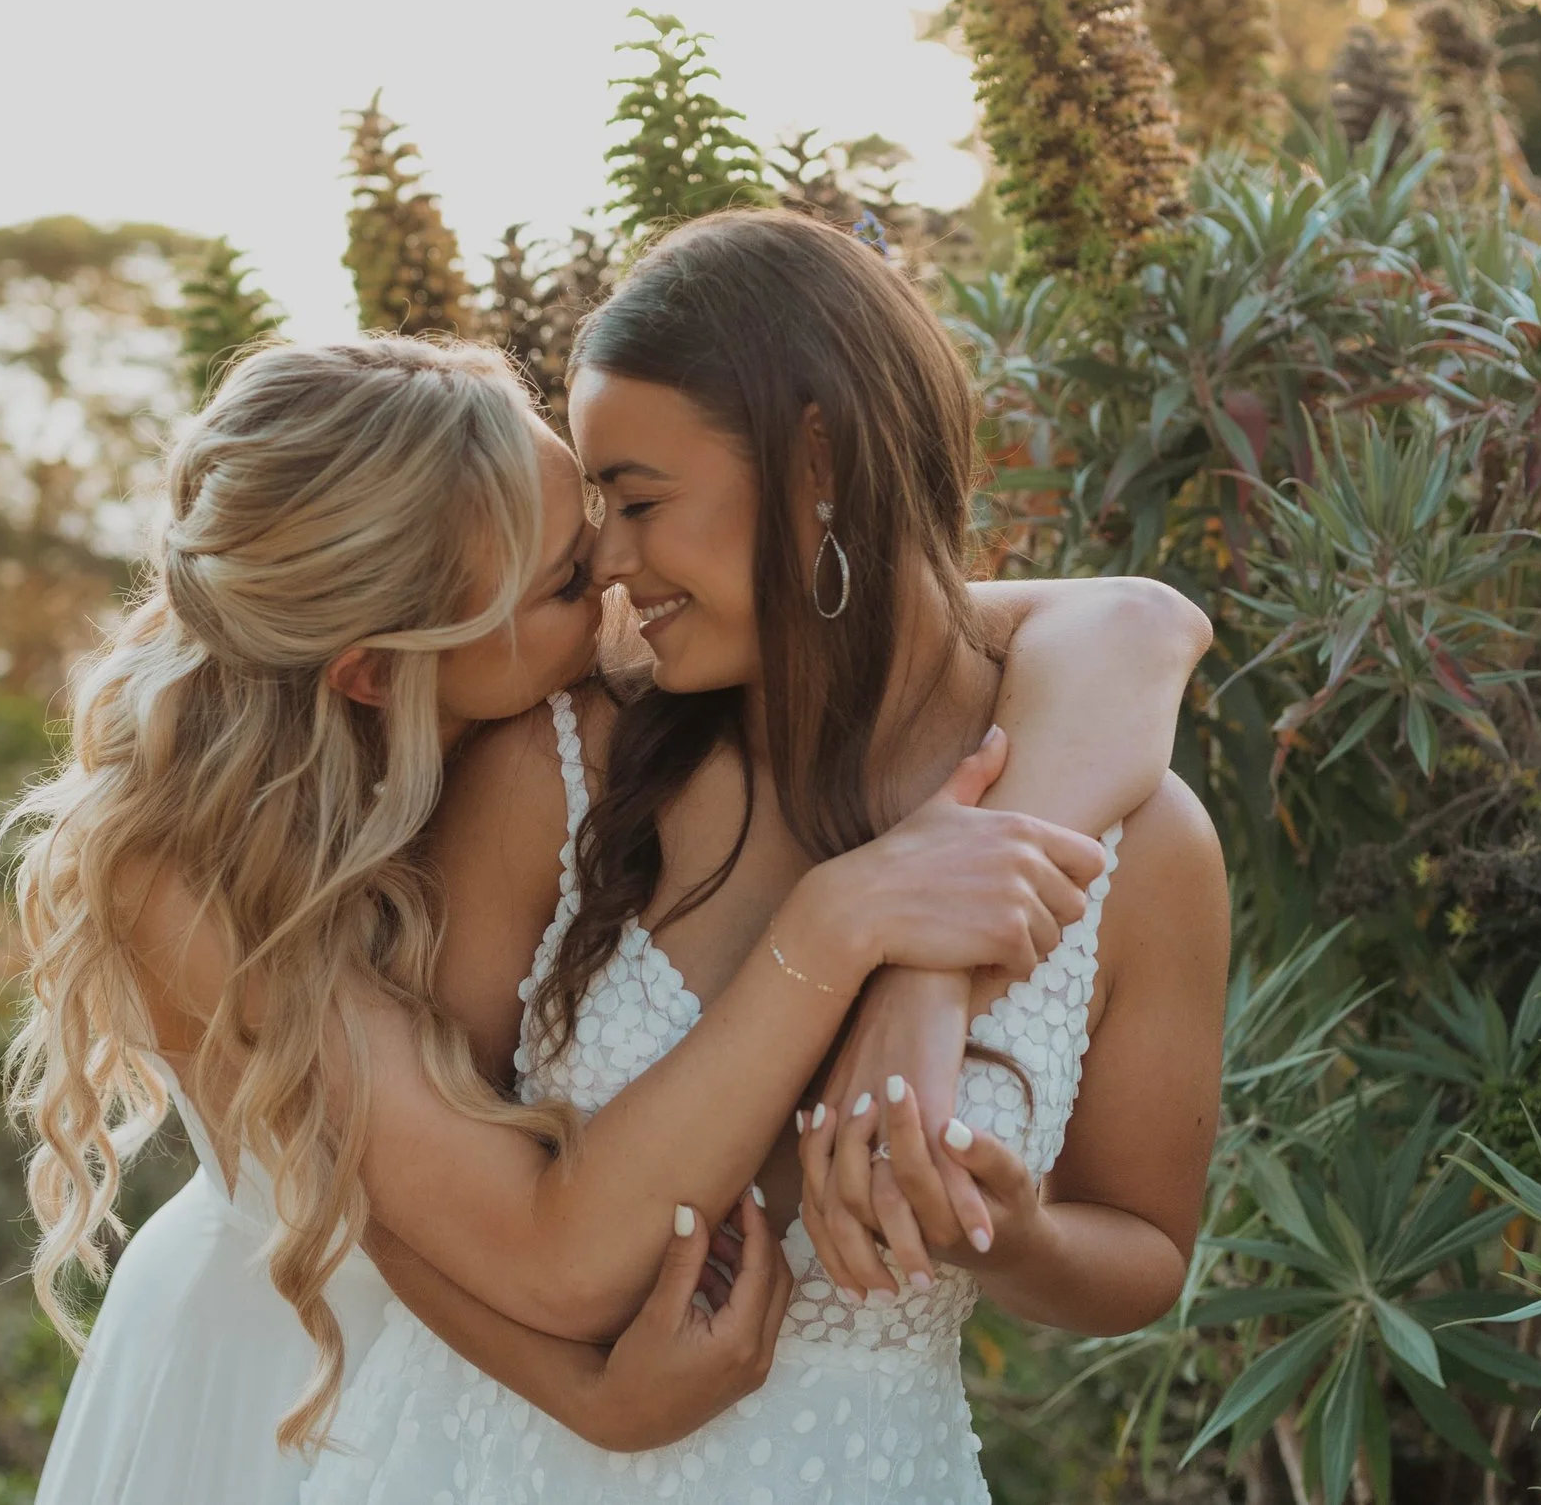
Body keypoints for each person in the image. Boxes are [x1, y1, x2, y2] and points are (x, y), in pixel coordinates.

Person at [14, 328, 1208, 1502]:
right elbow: (416, 1213)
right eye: (566, 581)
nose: (618, 587)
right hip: (291, 1381)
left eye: (600, 523)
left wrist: (931, 973)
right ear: (375, 669)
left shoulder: (545, 686)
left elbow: (1135, 625)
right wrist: (588, 1399)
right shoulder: (186, 877)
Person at [303, 211, 1232, 1505]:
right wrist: (588, 1393)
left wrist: (1008, 1235)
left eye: (635, 500)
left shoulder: (1145, 844)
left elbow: (1143, 1248)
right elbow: (391, 1188)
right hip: (489, 1460)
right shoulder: (558, 766)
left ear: (817, 461)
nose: (609, 560)